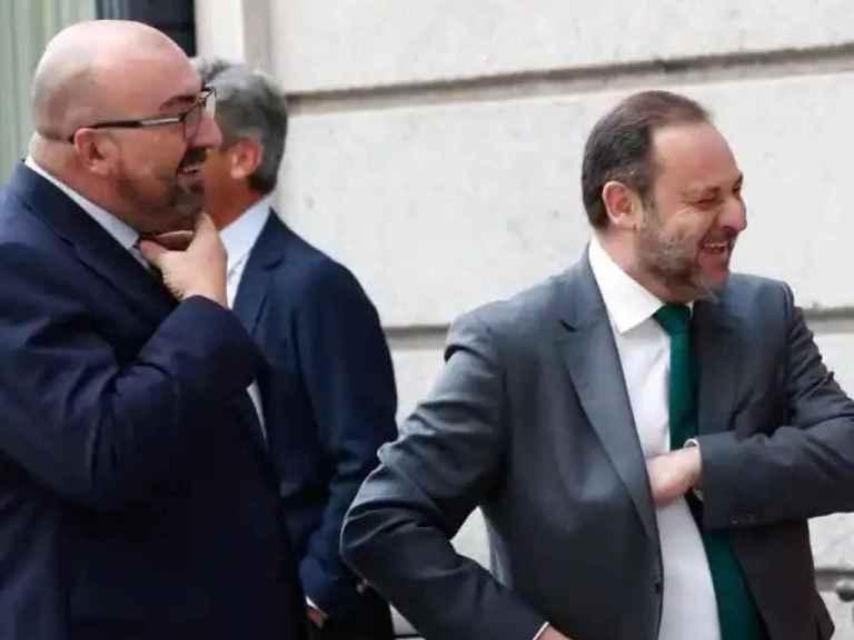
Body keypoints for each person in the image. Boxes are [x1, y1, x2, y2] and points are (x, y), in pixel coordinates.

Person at [341, 90, 854, 640]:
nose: (738, 217)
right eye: (706, 200)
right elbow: (383, 523)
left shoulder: (763, 314)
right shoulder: (511, 347)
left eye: (737, 191)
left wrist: (702, 466)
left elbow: (846, 450)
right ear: (622, 205)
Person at [0, 20, 306, 640]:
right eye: (178, 118)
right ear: (93, 151)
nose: (210, 134)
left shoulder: (135, 233)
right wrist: (204, 309)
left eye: (202, 104)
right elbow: (103, 453)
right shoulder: (15, 261)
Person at [195, 58, 398, 640]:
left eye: (197, 147)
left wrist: (314, 596)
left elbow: (366, 458)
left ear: (243, 158)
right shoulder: (163, 274)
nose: (179, 162)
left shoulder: (313, 286)